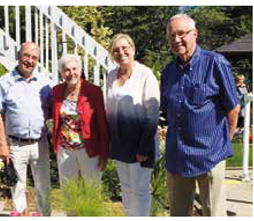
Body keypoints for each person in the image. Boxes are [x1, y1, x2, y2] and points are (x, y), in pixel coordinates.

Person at [160, 14, 240, 216]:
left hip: (210, 156)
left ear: (194, 34)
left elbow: (233, 107)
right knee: (178, 214)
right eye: (172, 35)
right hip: (177, 157)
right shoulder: (167, 72)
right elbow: (164, 110)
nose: (177, 39)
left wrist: (224, 142)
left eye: (181, 34)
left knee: (214, 214)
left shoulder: (215, 63)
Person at [0, 42, 52, 216]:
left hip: (40, 144)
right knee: (17, 186)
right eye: (26, 56)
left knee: (43, 186)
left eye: (34, 57)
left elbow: (54, 110)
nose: (30, 61)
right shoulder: (4, 81)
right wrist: (3, 145)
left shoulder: (45, 83)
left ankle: (44, 216)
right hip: (15, 144)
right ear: (18, 55)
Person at [106, 33, 160, 216]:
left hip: (140, 146)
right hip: (120, 145)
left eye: (124, 48)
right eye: (116, 50)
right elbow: (110, 111)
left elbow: (152, 115)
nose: (121, 53)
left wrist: (143, 149)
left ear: (133, 49)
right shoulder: (111, 76)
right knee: (127, 190)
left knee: (140, 191)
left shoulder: (145, 74)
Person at [52, 54, 109, 187]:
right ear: (61, 73)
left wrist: (104, 153)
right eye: (67, 70)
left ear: (80, 70)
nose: (71, 73)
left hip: (88, 148)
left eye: (74, 69)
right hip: (64, 149)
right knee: (68, 190)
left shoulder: (93, 92)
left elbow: (101, 123)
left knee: (92, 190)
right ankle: (70, 210)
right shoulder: (56, 91)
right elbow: (54, 117)